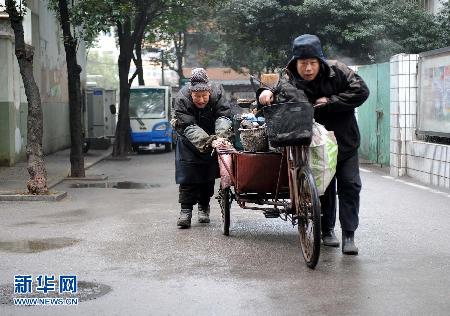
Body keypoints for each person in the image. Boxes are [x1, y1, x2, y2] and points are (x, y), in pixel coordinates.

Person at [258, 34, 369, 255]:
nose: (308, 68)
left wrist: (331, 101)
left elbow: (361, 91)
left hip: (345, 142)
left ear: (320, 61)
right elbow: (275, 95)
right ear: (295, 63)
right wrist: (265, 93)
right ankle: (327, 230)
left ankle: (349, 235)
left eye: (312, 63)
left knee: (350, 186)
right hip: (315, 144)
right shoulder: (289, 79)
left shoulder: (339, 71)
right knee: (323, 188)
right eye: (303, 63)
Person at [172, 68, 232, 228]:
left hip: (212, 138)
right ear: (191, 93)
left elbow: (224, 116)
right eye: (197, 96)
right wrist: (208, 141)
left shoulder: (217, 92)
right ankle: (185, 212)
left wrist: (220, 137)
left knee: (208, 177)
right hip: (188, 140)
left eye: (204, 96)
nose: (201, 100)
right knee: (188, 178)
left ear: (209, 91)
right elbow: (188, 126)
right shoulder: (182, 98)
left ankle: (204, 207)